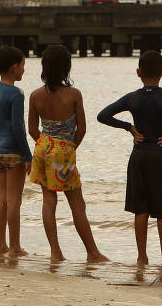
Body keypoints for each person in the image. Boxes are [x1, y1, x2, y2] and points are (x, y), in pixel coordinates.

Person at [97, 50, 162, 267]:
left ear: (138, 73)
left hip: (139, 156)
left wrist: (128, 127)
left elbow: (103, 115)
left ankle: (142, 257)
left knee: (140, 209)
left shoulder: (132, 98)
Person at [28, 45, 108, 263]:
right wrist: (70, 147)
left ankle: (55, 252)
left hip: (42, 147)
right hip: (63, 149)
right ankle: (93, 253)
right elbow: (81, 129)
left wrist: (46, 143)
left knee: (48, 201)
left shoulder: (35, 95)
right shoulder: (73, 94)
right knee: (77, 203)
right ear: (67, 68)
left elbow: (32, 129)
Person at [0, 45, 32, 257]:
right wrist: (27, 155)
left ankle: (0, 246)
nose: (24, 69)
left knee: (2, 200)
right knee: (15, 200)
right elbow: (18, 127)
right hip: (14, 152)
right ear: (14, 67)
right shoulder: (16, 94)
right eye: (23, 65)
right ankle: (15, 246)